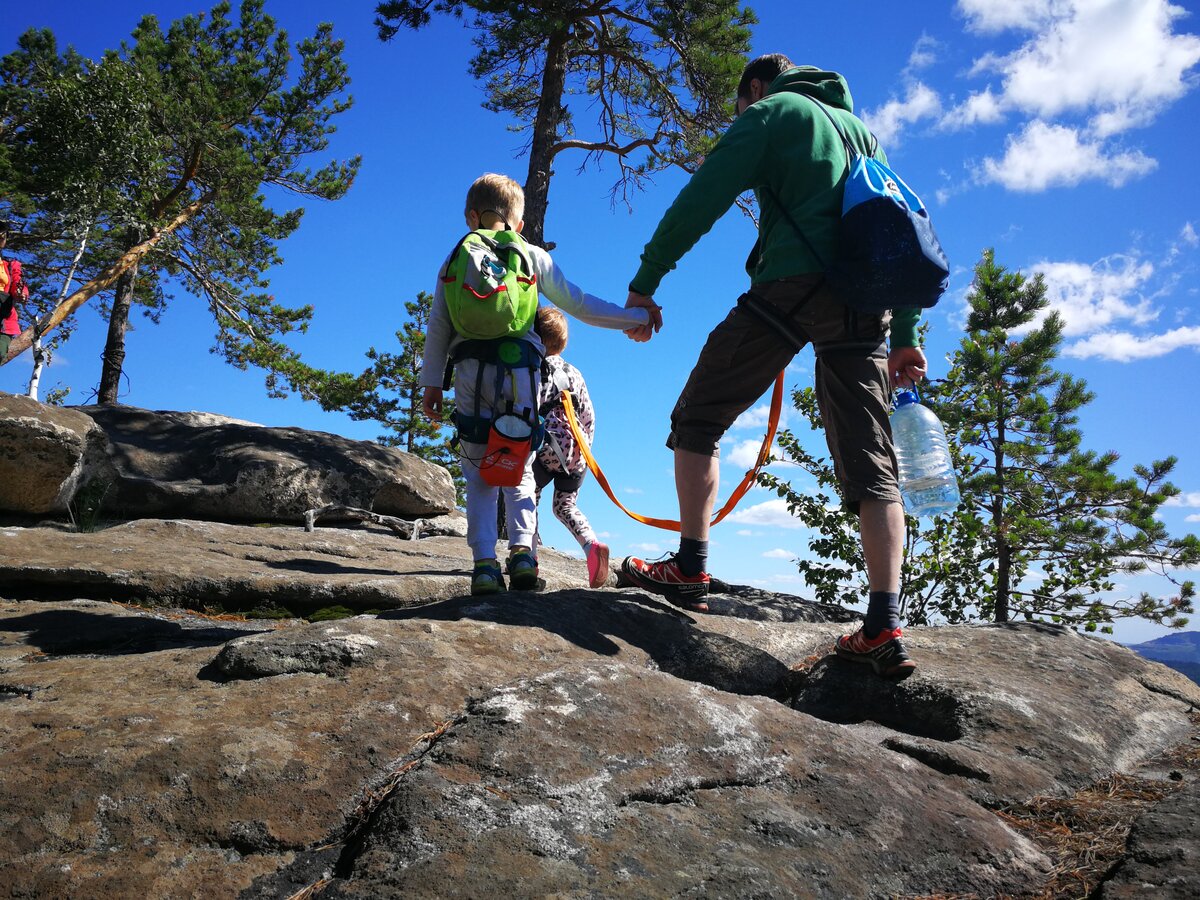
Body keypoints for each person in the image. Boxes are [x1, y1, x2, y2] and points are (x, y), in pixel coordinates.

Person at [620, 55, 926, 680]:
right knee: (872, 462)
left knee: (698, 417)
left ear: (755, 88)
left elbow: (701, 198)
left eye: (740, 103)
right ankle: (885, 623)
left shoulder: (771, 112)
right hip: (864, 307)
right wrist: (907, 334)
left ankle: (689, 567)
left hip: (787, 291)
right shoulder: (862, 132)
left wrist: (646, 281)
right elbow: (901, 229)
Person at [422, 174, 648, 596]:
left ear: (472, 216)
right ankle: (523, 555)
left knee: (479, 473)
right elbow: (578, 303)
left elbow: (438, 325)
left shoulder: (455, 258)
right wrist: (632, 319)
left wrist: (431, 384)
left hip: (471, 373)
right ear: (519, 224)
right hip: (521, 374)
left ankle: (484, 566)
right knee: (518, 465)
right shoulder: (530, 255)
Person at [530, 306, 609, 588]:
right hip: (578, 451)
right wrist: (585, 450)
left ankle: (529, 558)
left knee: (529, 498)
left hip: (545, 447)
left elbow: (529, 409)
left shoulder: (535, 369)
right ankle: (591, 547)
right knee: (565, 506)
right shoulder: (575, 373)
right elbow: (588, 416)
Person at [0, 221, 27, 361]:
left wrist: (21, 294)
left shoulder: (10, 265)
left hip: (4, 319)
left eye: (3, 236)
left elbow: (18, 283)